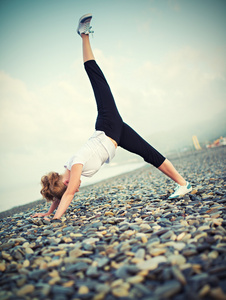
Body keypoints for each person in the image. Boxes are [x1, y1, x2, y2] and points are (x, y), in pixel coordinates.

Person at [31, 14, 192, 220]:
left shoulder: (76, 164)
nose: (76, 188)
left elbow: (68, 193)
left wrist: (55, 218)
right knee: (149, 154)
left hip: (108, 126)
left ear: (64, 182)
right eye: (72, 187)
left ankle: (83, 35)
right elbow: (59, 194)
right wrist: (48, 210)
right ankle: (183, 184)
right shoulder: (66, 172)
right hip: (115, 134)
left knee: (98, 82)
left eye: (71, 186)